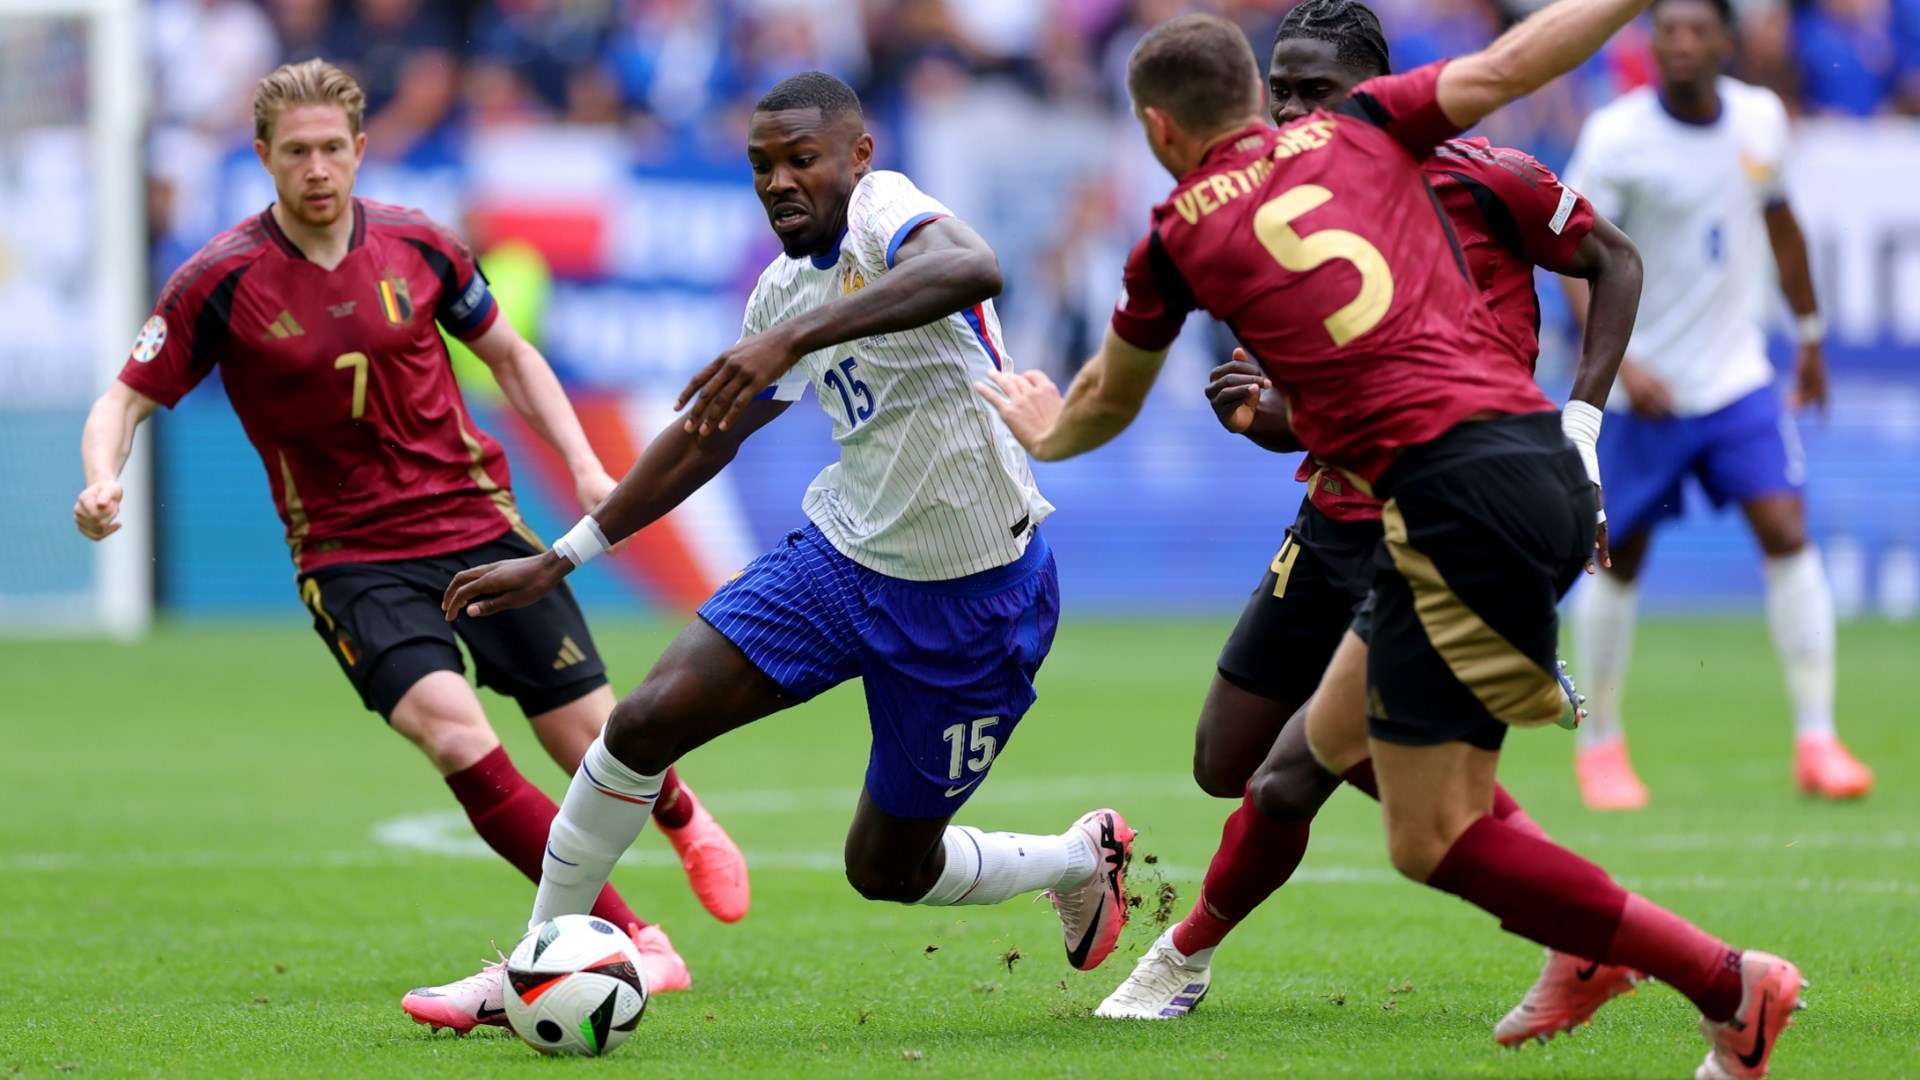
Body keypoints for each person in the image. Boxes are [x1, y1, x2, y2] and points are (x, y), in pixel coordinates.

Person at [979, 10, 1802, 1076]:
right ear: (1253, 93)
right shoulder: (1366, 128)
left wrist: (1043, 423)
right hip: (1503, 478)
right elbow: (1518, 60)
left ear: (1159, 130)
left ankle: (1730, 986)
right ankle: (1587, 950)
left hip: (1455, 506)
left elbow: (1100, 403)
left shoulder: (1177, 233)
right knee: (1299, 759)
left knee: (1431, 839)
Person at [416, 72, 1135, 1006]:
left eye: (803, 159)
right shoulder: (781, 291)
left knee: (885, 867)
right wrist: (565, 553)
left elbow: (973, 268)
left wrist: (794, 342)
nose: (780, 181)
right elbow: (704, 436)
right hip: (841, 563)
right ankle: (531, 965)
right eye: (763, 165)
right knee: (641, 723)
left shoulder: (890, 213)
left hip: (976, 598)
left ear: (858, 157)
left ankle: (1079, 859)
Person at [72, 59, 749, 1032]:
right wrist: (103, 476)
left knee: (591, 739)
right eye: (295, 151)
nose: (316, 169)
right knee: (453, 732)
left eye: (332, 149)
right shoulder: (219, 280)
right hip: (349, 558)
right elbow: (124, 399)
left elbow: (511, 357)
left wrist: (587, 468)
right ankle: (634, 937)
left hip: (478, 526)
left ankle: (685, 821)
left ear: (360, 150)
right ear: (263, 157)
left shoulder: (420, 245)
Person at [1090, 2, 1648, 1044]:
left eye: (1319, 90)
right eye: (1282, 90)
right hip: (1336, 510)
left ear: (1375, 87)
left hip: (1446, 515)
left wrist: (1580, 424)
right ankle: (1577, 910)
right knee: (1229, 759)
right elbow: (1322, 399)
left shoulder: (1485, 174)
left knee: (1293, 771)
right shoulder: (1269, 202)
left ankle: (1185, 957)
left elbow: (1613, 259)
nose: (1298, 108)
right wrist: (1262, 415)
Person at [1562, 0, 1871, 809]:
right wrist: (1621, 367)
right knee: (1619, 558)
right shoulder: (1617, 136)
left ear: (1726, 42)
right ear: (1653, 44)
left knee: (1787, 531)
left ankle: (1818, 738)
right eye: (1670, 30)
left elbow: (1782, 227)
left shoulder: (1760, 121)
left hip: (1737, 378)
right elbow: (1568, 259)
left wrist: (1809, 335)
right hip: (1647, 389)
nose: (1684, 42)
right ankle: (1601, 746)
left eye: (1700, 30)